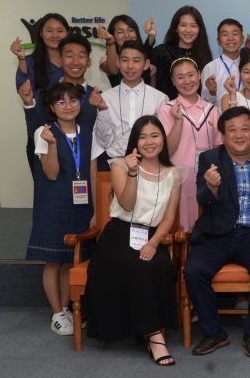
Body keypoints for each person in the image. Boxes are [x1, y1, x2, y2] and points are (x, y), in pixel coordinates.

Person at [184, 107, 250, 358]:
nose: (239, 135)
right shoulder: (210, 158)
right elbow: (202, 199)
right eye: (232, 130)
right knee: (193, 270)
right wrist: (210, 186)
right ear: (223, 134)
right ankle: (214, 332)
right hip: (217, 235)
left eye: (245, 129)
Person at [83, 116, 185, 365]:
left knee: (158, 264)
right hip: (119, 234)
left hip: (151, 235)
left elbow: (169, 217)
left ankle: (148, 330)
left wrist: (154, 242)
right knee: (138, 266)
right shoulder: (120, 165)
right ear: (134, 142)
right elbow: (127, 204)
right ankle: (154, 338)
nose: (150, 142)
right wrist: (132, 172)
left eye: (155, 135)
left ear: (163, 139)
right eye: (143, 137)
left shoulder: (173, 173)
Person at [27, 82, 93, 336]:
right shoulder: (44, 132)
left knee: (70, 261)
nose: (68, 106)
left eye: (73, 100)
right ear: (52, 107)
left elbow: (92, 171)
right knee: (53, 260)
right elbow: (51, 173)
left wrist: (97, 210)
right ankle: (56, 313)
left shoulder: (87, 132)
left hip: (81, 206)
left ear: (80, 103)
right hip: (52, 205)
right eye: (61, 102)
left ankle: (66, 308)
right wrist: (52, 145)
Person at [158, 57, 223, 231]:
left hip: (207, 179)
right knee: (180, 229)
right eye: (180, 77)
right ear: (173, 81)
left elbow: (218, 149)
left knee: (205, 229)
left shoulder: (212, 110)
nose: (186, 81)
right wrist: (178, 121)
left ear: (199, 75)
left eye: (191, 75)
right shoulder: (167, 110)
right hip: (179, 180)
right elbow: (166, 152)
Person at [89, 40, 169, 172]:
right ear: (118, 62)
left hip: (149, 166)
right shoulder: (106, 98)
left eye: (136, 61)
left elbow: (162, 139)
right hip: (116, 166)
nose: (130, 66)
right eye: (125, 60)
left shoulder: (160, 98)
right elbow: (104, 142)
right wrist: (103, 110)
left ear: (146, 64)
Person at [12, 13, 69, 174]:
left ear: (68, 33)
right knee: (44, 191)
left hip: (70, 135)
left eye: (60, 30)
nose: (55, 35)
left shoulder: (72, 61)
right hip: (40, 134)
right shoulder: (30, 61)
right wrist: (21, 58)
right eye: (49, 30)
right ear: (41, 34)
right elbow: (24, 89)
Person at [21, 34, 99, 136]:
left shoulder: (98, 98)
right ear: (59, 60)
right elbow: (35, 134)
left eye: (81, 56)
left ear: (89, 62)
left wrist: (102, 109)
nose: (75, 62)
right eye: (69, 56)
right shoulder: (46, 95)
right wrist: (28, 104)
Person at [149, 6, 213, 99]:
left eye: (193, 26)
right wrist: (151, 38)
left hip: (197, 110)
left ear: (199, 29)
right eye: (183, 25)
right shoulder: (163, 51)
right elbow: (143, 59)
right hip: (167, 110)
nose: (188, 30)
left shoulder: (204, 54)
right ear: (176, 28)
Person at [98, 15, 156, 87]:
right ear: (113, 36)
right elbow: (113, 70)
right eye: (120, 32)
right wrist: (110, 40)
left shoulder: (148, 61)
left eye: (131, 30)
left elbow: (153, 91)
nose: (127, 35)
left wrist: (151, 36)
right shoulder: (106, 59)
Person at [202, 19, 246, 112]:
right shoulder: (210, 67)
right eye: (225, 34)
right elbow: (204, 103)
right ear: (218, 41)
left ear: (242, 39)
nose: (230, 38)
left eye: (235, 34)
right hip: (220, 120)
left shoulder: (248, 66)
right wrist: (212, 92)